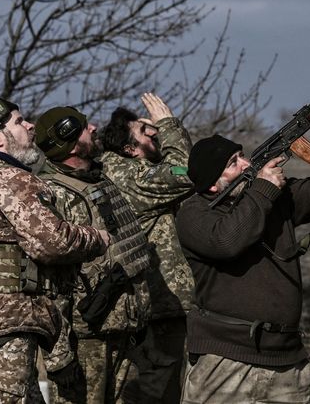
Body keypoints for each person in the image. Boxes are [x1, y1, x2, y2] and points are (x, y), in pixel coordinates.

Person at [0, 97, 110, 403]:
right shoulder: (10, 179)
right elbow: (54, 242)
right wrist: (98, 238)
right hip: (5, 321)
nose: (30, 125)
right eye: (19, 122)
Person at [176, 101, 310, 404]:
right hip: (225, 359)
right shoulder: (194, 214)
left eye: (240, 156)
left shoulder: (269, 198)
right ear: (213, 185)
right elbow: (228, 242)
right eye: (232, 163)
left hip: (285, 359)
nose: (244, 164)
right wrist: (263, 190)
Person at [34, 106, 152, 403]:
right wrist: (59, 355)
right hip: (84, 342)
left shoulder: (98, 181)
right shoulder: (53, 193)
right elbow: (46, 284)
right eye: (86, 127)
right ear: (71, 142)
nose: (95, 128)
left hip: (124, 333)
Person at [99, 93, 195, 403]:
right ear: (129, 148)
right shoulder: (131, 175)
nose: (153, 131)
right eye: (144, 131)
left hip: (153, 305)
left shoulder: (133, 170)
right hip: (152, 306)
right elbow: (186, 171)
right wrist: (167, 122)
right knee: (155, 392)